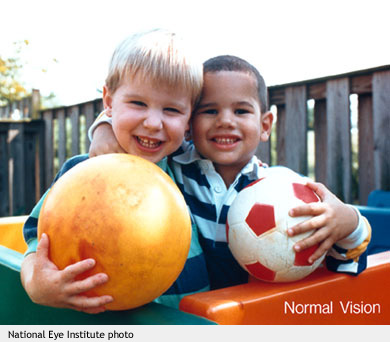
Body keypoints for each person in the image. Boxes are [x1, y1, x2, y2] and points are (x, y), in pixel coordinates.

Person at [89, 55, 371, 290]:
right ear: (188, 122)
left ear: (265, 125)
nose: (225, 121)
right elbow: (135, 124)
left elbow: (342, 259)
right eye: (210, 111)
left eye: (241, 111)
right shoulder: (171, 165)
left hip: (248, 315)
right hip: (181, 314)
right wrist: (103, 127)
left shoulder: (286, 192)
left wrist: (349, 223)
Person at [21, 28, 210, 314]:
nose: (153, 122)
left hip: (188, 322)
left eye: (171, 110)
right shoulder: (81, 173)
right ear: (108, 102)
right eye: (138, 103)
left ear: (188, 120)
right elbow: (38, 240)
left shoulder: (190, 170)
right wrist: (36, 284)